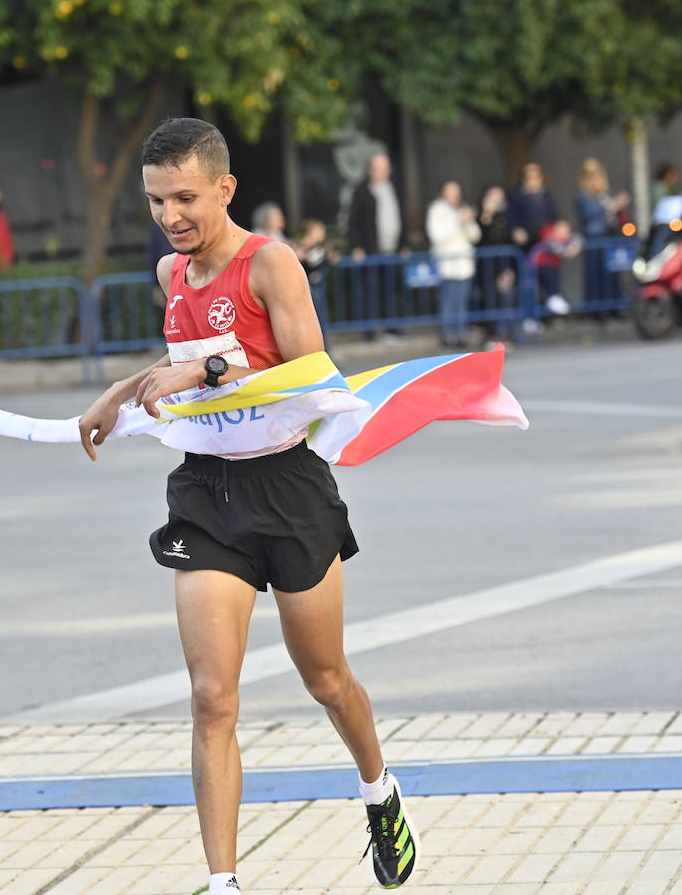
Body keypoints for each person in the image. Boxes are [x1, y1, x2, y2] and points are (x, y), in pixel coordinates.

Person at [77, 118, 416, 894]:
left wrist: (210, 372)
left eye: (186, 198)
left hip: (288, 488)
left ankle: (379, 790)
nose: (171, 216)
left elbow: (313, 377)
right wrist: (121, 392)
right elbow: (179, 361)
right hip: (207, 493)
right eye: (158, 201)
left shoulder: (271, 264)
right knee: (210, 696)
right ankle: (224, 884)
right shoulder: (171, 275)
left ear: (225, 189)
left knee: (325, 678)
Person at [346, 152, 407, 340]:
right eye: (377, 168)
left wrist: (404, 244)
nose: (380, 172)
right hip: (371, 252)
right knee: (370, 291)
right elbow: (354, 221)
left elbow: (402, 217)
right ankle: (370, 331)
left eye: (384, 168)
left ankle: (393, 328)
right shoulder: (362, 191)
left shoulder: (394, 188)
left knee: (392, 291)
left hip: (392, 251)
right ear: (370, 170)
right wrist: (357, 246)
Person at [508, 161, 568, 315]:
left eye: (536, 177)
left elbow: (555, 217)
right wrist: (516, 231)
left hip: (545, 245)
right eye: (529, 177)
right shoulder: (517, 197)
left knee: (549, 273)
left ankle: (552, 299)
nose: (533, 181)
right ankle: (528, 317)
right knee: (528, 284)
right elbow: (512, 220)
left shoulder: (546, 196)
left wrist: (560, 227)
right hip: (527, 247)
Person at [426, 180, 480, 348]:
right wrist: (457, 221)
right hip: (446, 265)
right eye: (450, 192)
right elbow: (437, 236)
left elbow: (475, 235)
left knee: (462, 302)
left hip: (464, 265)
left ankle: (461, 334)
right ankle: (448, 335)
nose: (453, 197)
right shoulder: (436, 210)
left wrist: (468, 221)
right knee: (448, 302)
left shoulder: (462, 209)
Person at [574, 158, 630, 312]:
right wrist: (612, 205)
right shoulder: (583, 196)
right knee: (594, 276)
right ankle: (596, 310)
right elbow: (589, 214)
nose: (594, 179)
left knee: (611, 274)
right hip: (594, 239)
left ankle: (614, 306)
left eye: (596, 175)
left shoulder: (605, 195)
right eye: (589, 176)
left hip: (610, 237)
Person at [476, 185, 517, 345]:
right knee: (489, 299)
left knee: (505, 298)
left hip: (504, 264)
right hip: (486, 266)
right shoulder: (481, 217)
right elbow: (480, 239)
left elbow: (510, 242)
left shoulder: (507, 218)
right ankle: (491, 334)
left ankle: (504, 334)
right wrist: (486, 215)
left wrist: (509, 270)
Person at [292, 217, 336, 350]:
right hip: (306, 290)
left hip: (316, 290)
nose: (322, 234)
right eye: (319, 231)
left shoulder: (320, 248)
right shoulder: (299, 247)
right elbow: (310, 266)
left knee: (321, 321)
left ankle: (325, 351)